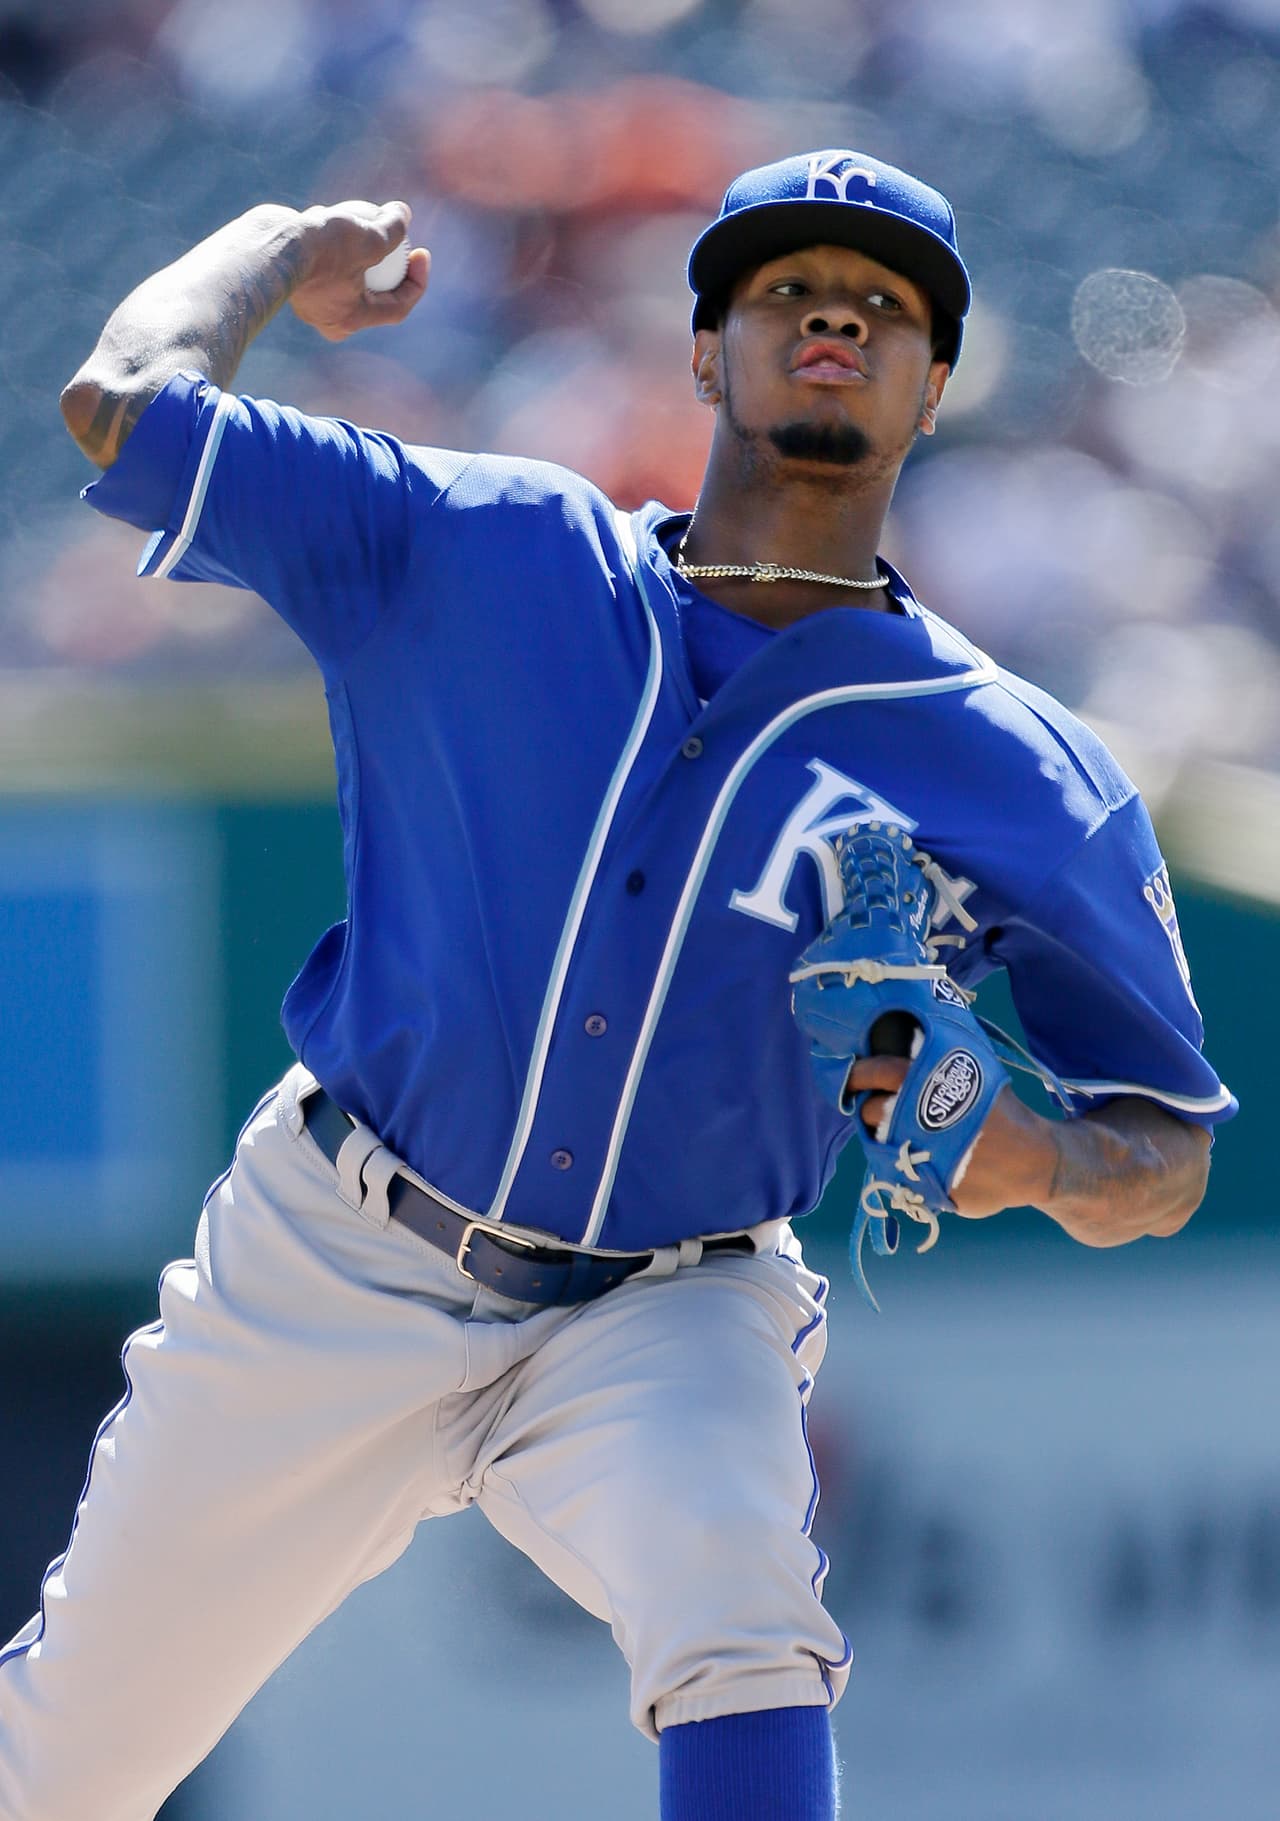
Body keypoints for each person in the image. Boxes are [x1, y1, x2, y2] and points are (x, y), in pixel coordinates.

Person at [2, 150, 1234, 1821]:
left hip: (671, 1303)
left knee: (739, 1600)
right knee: (66, 1763)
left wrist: (1040, 1157)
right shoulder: (480, 545)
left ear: (934, 386)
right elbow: (124, 404)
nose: (834, 322)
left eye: (883, 307)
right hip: (342, 1250)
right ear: (706, 351)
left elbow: (1168, 1153)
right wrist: (281, 244)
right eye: (787, 291)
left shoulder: (1019, 767)